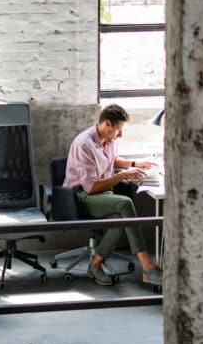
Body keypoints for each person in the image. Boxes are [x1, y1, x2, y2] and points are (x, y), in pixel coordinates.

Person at [63, 104, 162, 286]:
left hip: (102, 193)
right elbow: (91, 188)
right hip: (82, 196)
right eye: (119, 130)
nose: (121, 135)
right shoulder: (84, 144)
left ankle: (94, 265)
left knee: (119, 218)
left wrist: (136, 163)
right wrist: (123, 175)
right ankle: (147, 266)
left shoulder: (109, 140)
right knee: (124, 204)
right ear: (107, 124)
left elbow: (111, 160)